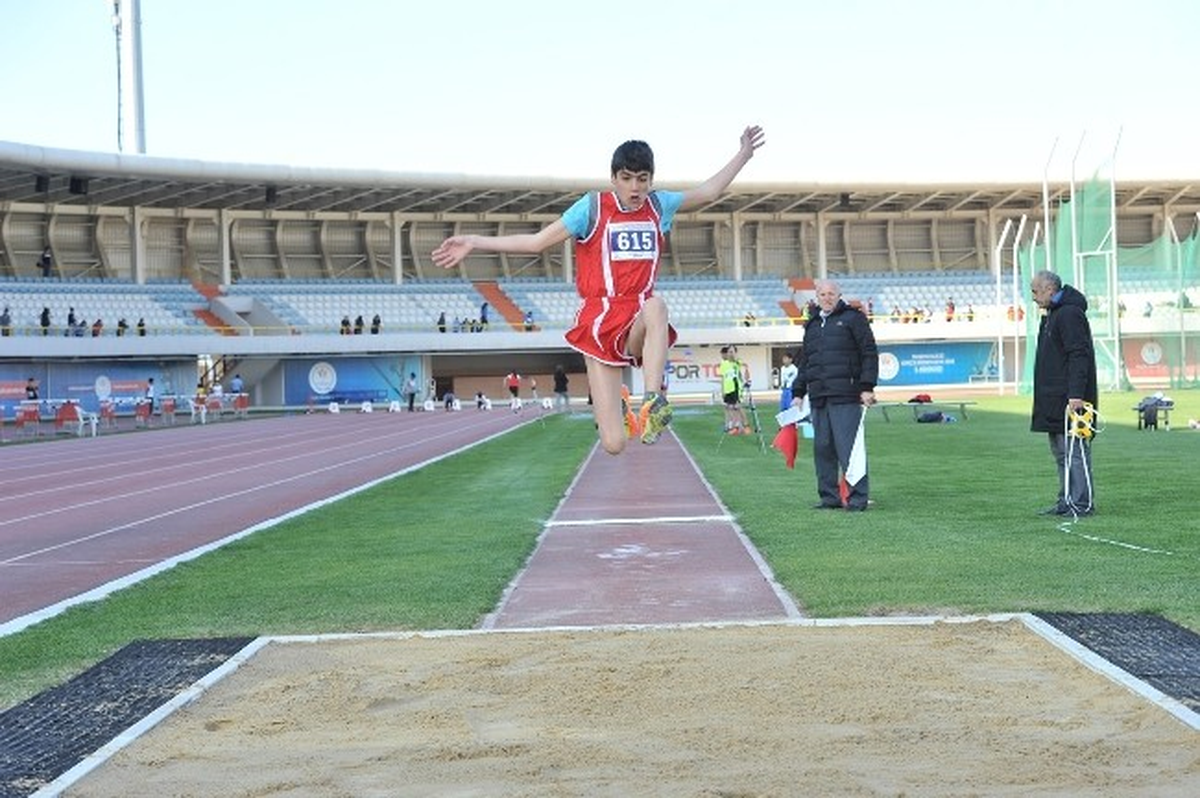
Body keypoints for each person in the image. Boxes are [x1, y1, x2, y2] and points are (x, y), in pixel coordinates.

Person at [433, 125, 765, 454]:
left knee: (657, 306)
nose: (635, 187)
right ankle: (621, 405)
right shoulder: (591, 208)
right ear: (613, 178)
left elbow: (708, 192)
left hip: (638, 315)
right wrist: (475, 241)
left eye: (642, 179)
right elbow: (535, 243)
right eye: (626, 178)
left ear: (651, 180)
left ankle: (652, 402)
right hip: (600, 320)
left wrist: (743, 155)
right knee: (614, 445)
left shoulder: (660, 205)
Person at [793, 279, 879, 512]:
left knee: (849, 450)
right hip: (819, 396)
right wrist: (798, 391)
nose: (827, 297)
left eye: (831, 293)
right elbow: (806, 361)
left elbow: (869, 353)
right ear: (817, 296)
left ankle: (857, 499)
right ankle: (829, 498)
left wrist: (867, 386)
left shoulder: (853, 318)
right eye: (823, 294)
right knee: (823, 449)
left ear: (838, 295)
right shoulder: (811, 324)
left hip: (846, 396)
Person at [1030, 269, 1098, 517]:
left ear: (1050, 289)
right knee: (1062, 453)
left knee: (1074, 452)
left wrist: (1076, 394)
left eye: (1035, 291)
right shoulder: (1052, 315)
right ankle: (1066, 500)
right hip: (1054, 397)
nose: (1034, 297)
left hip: (1070, 397)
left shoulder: (1069, 314)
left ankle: (1081, 503)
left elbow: (1078, 355)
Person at [719, 345, 750, 435]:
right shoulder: (724, 364)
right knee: (730, 407)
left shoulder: (737, 362)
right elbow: (723, 378)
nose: (730, 354)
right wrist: (723, 391)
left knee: (738, 407)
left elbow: (744, 366)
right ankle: (735, 427)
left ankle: (746, 425)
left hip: (735, 388)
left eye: (732, 352)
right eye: (729, 352)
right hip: (727, 389)